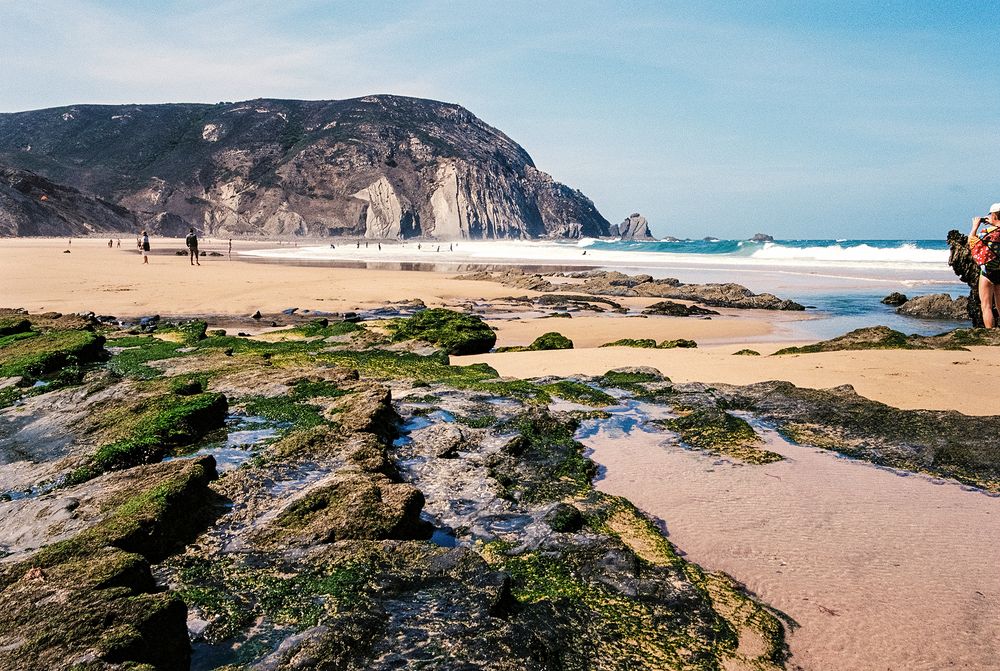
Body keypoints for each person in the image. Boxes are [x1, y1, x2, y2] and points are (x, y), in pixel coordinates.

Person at [969, 203, 1000, 328]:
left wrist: (975, 227)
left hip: (988, 272)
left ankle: (990, 334)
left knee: (986, 306)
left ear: (993, 215)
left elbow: (972, 242)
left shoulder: (986, 232)